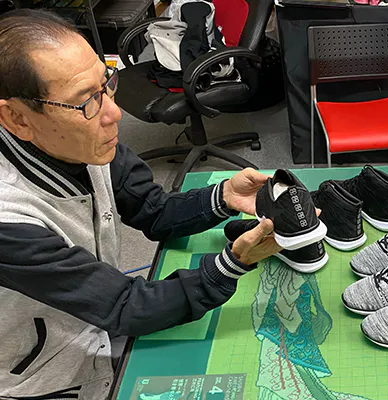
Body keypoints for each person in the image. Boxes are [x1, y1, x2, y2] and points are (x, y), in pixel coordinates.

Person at [0, 10, 281, 399]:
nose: (113, 112)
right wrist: (230, 265)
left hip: (96, 324)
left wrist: (223, 197)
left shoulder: (82, 141)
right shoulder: (9, 220)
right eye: (86, 101)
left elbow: (154, 210)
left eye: (106, 84)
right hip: (42, 376)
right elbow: (124, 306)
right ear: (16, 118)